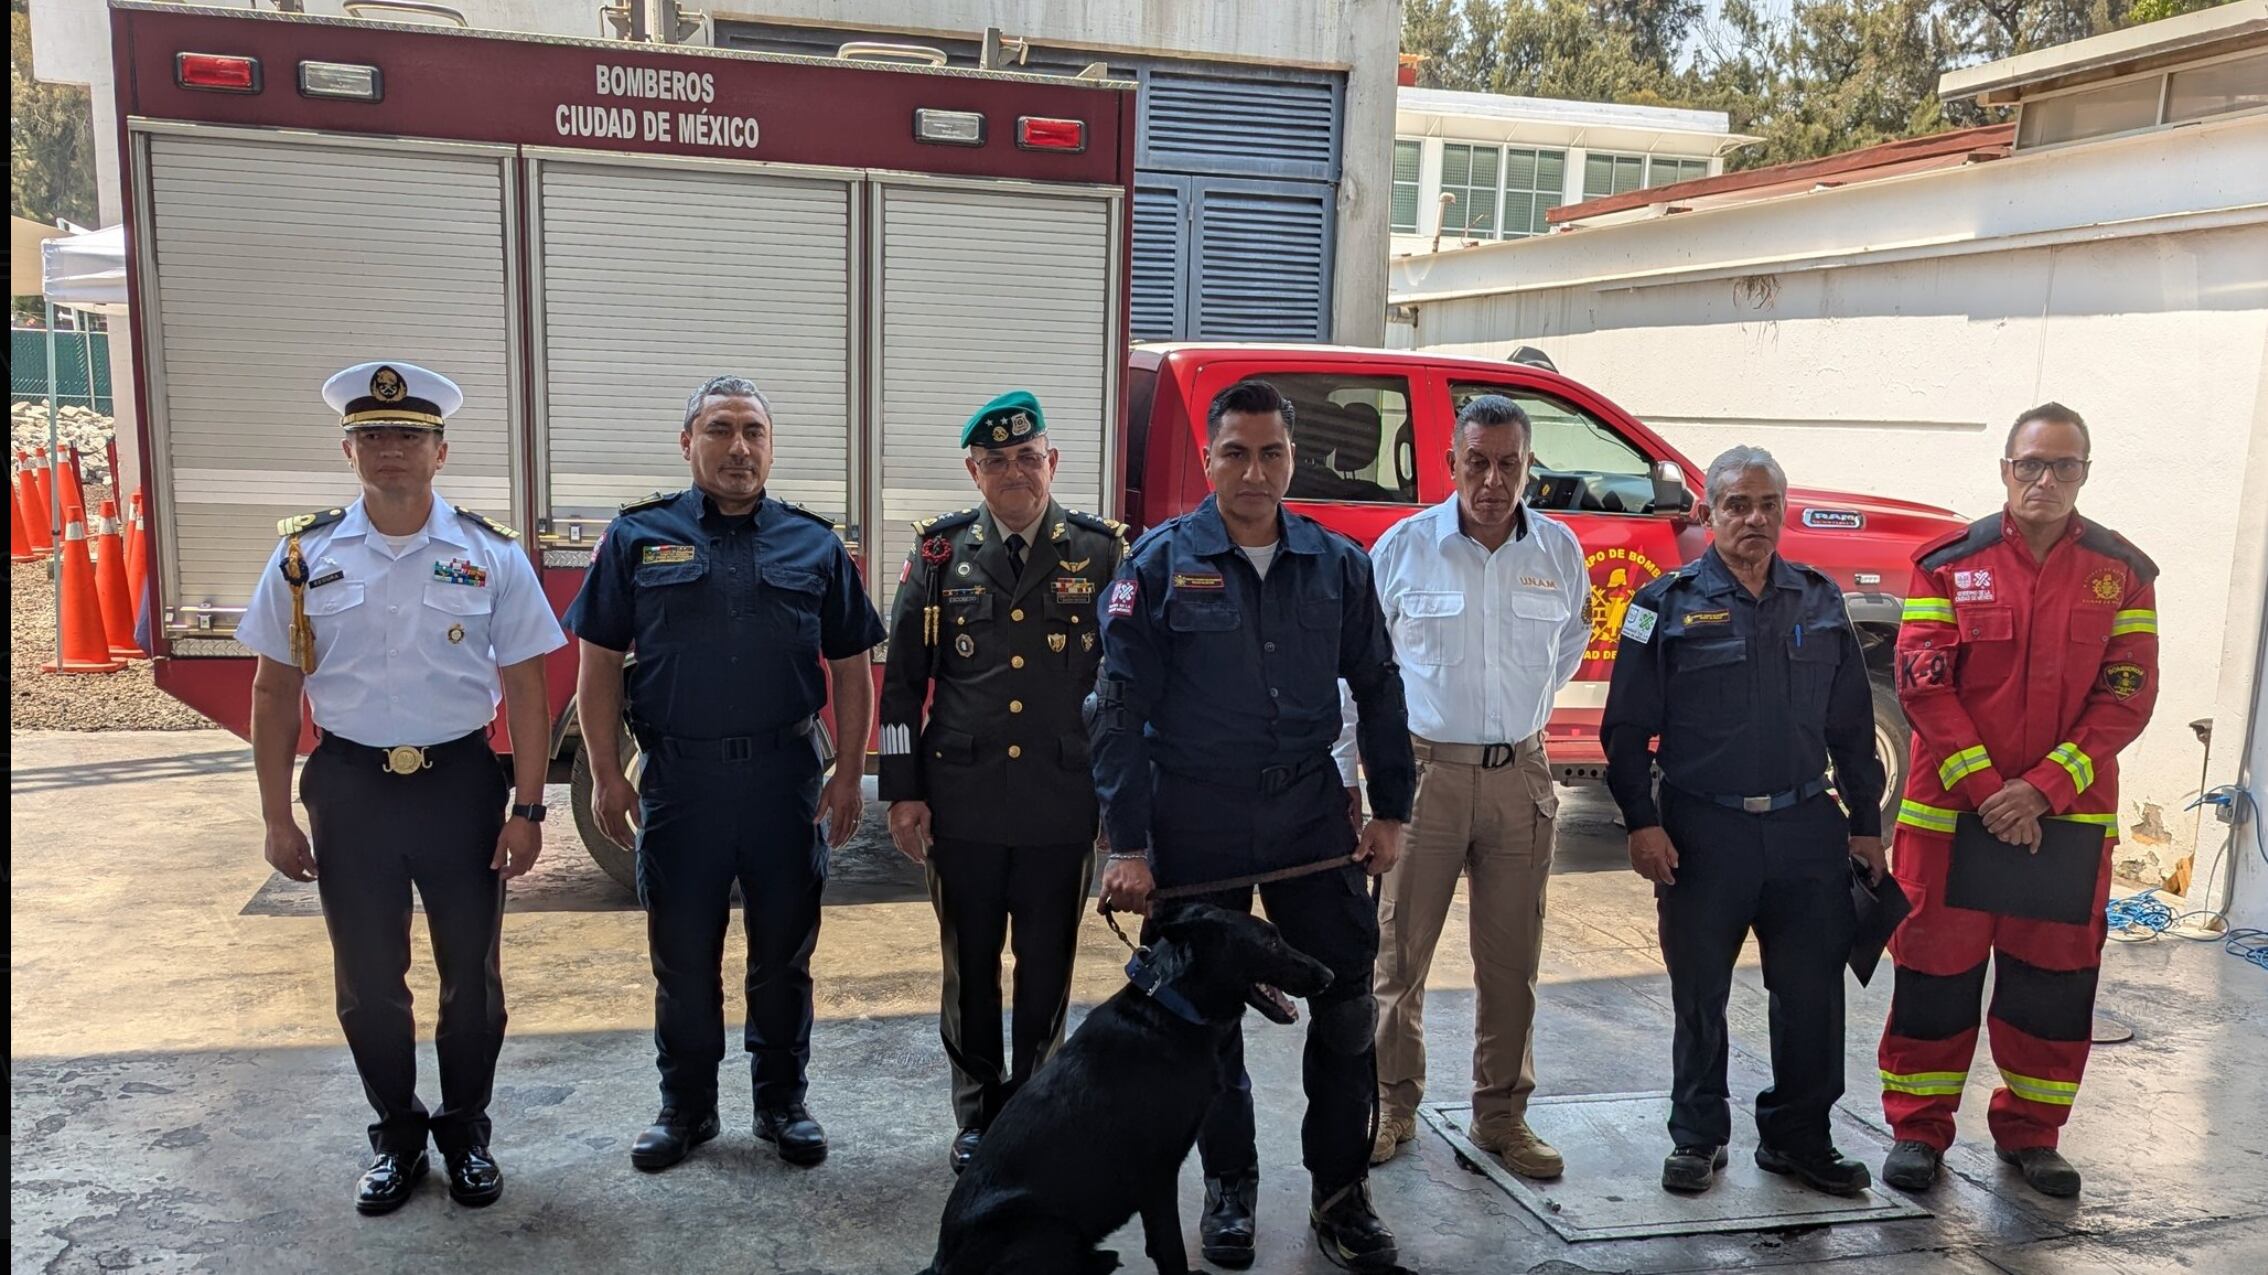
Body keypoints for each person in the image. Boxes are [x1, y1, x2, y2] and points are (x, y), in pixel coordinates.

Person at [1090, 378, 1416, 1271]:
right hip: (1193, 813)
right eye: (1235, 452)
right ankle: (1229, 1182)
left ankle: (1341, 1194)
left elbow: (1381, 687)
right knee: (1205, 1013)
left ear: (1291, 460)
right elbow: (1117, 709)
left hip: (1309, 812)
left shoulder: (1336, 562)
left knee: (1345, 1001)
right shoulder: (1155, 566)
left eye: (1271, 452)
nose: (1254, 470)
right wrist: (1127, 842)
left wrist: (1391, 808)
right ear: (1208, 459)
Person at [243, 360, 565, 1214]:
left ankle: (465, 1132)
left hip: (460, 782)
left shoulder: (488, 554)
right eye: (374, 435)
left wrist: (528, 807)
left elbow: (528, 687)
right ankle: (396, 1134)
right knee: (367, 983)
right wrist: (277, 816)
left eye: (409, 436)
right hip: (349, 785)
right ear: (349, 450)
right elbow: (274, 692)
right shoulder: (303, 557)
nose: (392, 450)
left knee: (474, 981)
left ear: (441, 451)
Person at [564, 374, 885, 1173]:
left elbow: (851, 667)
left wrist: (847, 774)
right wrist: (605, 771)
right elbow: (597, 664)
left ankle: (782, 1103)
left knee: (784, 954)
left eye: (753, 432)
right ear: (688, 442)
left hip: (785, 784)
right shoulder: (639, 536)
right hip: (681, 785)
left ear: (770, 446)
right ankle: (687, 1109)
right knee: (682, 954)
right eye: (719, 430)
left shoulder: (814, 544)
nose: (738, 447)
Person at [1876, 403, 2158, 1200]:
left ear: (2085, 473)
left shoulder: (2124, 571)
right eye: (2031, 464)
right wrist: (1988, 789)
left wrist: (2041, 788)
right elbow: (1922, 686)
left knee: (2053, 982)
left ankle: (2033, 1133)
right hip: (1951, 824)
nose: (2046, 479)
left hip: (2062, 826)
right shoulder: (1945, 563)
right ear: (2005, 469)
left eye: (2064, 466)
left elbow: (2127, 695)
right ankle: (1918, 1129)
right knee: (1934, 975)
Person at [1599, 444, 1886, 1198]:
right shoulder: (1661, 605)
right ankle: (1698, 1135)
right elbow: (1625, 728)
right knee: (1700, 993)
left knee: (1812, 992)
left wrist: (1865, 822)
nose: (1753, 519)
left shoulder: (1822, 600)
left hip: (1803, 828)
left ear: (1783, 513)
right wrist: (1640, 820)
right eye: (1736, 504)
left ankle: (1798, 1137)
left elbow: (1854, 727)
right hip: (1702, 832)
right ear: (1709, 512)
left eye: (1766, 506)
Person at [877, 389, 1127, 1174]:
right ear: (973, 471)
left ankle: (1032, 1108)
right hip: (965, 803)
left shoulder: (1102, 553)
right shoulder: (939, 555)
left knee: (1047, 969)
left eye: (1029, 457)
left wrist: (1120, 805)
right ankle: (980, 1112)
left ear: (1052, 462)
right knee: (971, 969)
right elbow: (900, 687)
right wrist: (903, 790)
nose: (1015, 472)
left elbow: (1128, 689)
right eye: (997, 461)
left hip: (1062, 801)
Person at [1364, 395, 1589, 1176]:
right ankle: (1391, 1107)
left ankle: (1502, 1114)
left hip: (1519, 779)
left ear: (1529, 467)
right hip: (1424, 777)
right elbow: (1364, 673)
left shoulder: (1558, 552)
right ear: (1451, 464)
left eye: (1509, 464)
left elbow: (1570, 643)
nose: (1492, 481)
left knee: (1512, 960)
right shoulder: (1401, 549)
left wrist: (1514, 724)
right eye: (1477, 463)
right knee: (1399, 959)